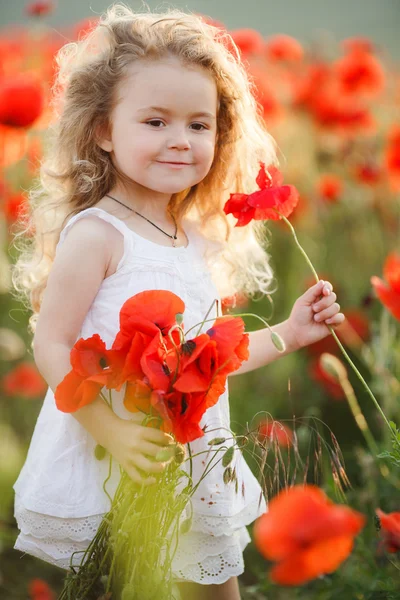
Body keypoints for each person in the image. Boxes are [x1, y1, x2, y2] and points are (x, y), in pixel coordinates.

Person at [11, 5, 344, 600]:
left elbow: (209, 365)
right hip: (115, 455)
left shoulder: (193, 235)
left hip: (194, 456)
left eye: (199, 125)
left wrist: (291, 333)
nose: (180, 141)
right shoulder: (99, 235)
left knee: (217, 588)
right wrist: (107, 427)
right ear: (104, 131)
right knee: (126, 586)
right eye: (156, 121)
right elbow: (51, 342)